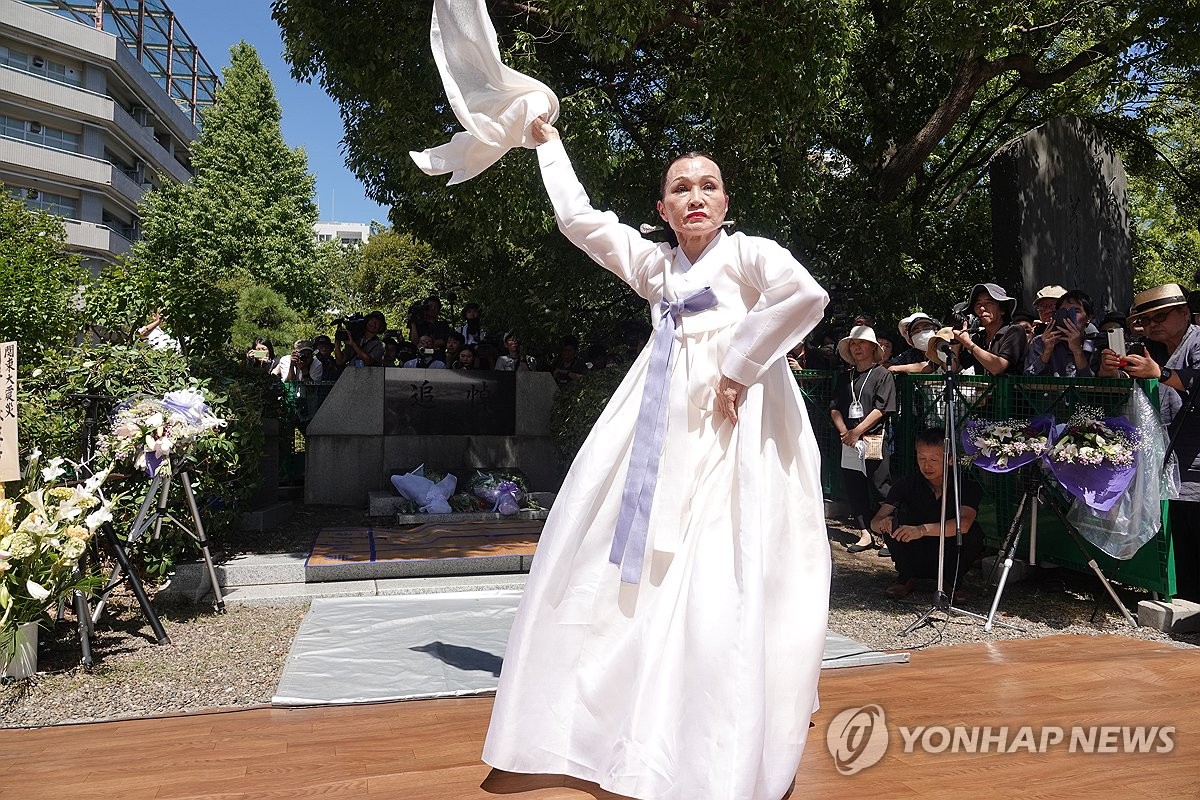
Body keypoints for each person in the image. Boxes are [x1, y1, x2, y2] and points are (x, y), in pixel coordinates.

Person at [483, 117, 830, 800]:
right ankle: (627, 710)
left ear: (726, 204)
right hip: (658, 423)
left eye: (709, 186)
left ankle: (725, 723)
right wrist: (548, 145)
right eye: (681, 188)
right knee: (624, 556)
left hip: (740, 422)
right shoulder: (655, 265)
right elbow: (581, 223)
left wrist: (739, 363)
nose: (696, 196)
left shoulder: (751, 255)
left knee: (729, 558)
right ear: (663, 210)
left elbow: (805, 296)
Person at [1098, 283, 1200, 601]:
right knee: (1176, 533)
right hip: (1164, 455)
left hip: (1194, 457)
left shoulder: (1197, 341)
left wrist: (1160, 373)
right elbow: (1117, 389)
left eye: (1161, 317)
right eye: (1148, 319)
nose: (1153, 325)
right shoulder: (1148, 347)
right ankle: (1185, 597)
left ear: (1185, 313)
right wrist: (1108, 370)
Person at [870, 426, 984, 599]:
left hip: (948, 548)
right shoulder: (906, 484)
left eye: (934, 459)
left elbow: (964, 524)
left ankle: (951, 581)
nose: (927, 465)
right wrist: (883, 523)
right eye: (921, 458)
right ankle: (906, 577)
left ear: (950, 459)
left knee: (973, 534)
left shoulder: (965, 486)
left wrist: (922, 530)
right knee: (895, 523)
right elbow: (876, 521)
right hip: (914, 549)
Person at [830, 325, 897, 553]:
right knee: (854, 486)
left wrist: (856, 432)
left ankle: (890, 535)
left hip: (873, 439)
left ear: (872, 347)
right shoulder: (844, 377)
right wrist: (844, 433)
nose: (857, 347)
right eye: (853, 344)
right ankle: (865, 533)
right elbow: (835, 408)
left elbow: (882, 409)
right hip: (849, 442)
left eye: (862, 343)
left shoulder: (883, 374)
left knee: (881, 487)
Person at [953, 283, 1027, 375]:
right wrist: (957, 340)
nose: (982, 308)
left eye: (989, 303)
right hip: (982, 390)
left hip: (1009, 389)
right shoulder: (978, 337)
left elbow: (998, 367)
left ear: (1002, 309)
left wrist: (969, 344)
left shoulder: (1014, 331)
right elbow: (954, 369)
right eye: (978, 304)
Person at [1024, 289, 1099, 377]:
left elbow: (1093, 385)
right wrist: (1047, 352)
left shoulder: (1094, 344)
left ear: (1088, 317)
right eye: (1063, 311)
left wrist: (1077, 350)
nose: (1069, 316)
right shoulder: (1040, 342)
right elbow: (1028, 381)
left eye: (1075, 311)